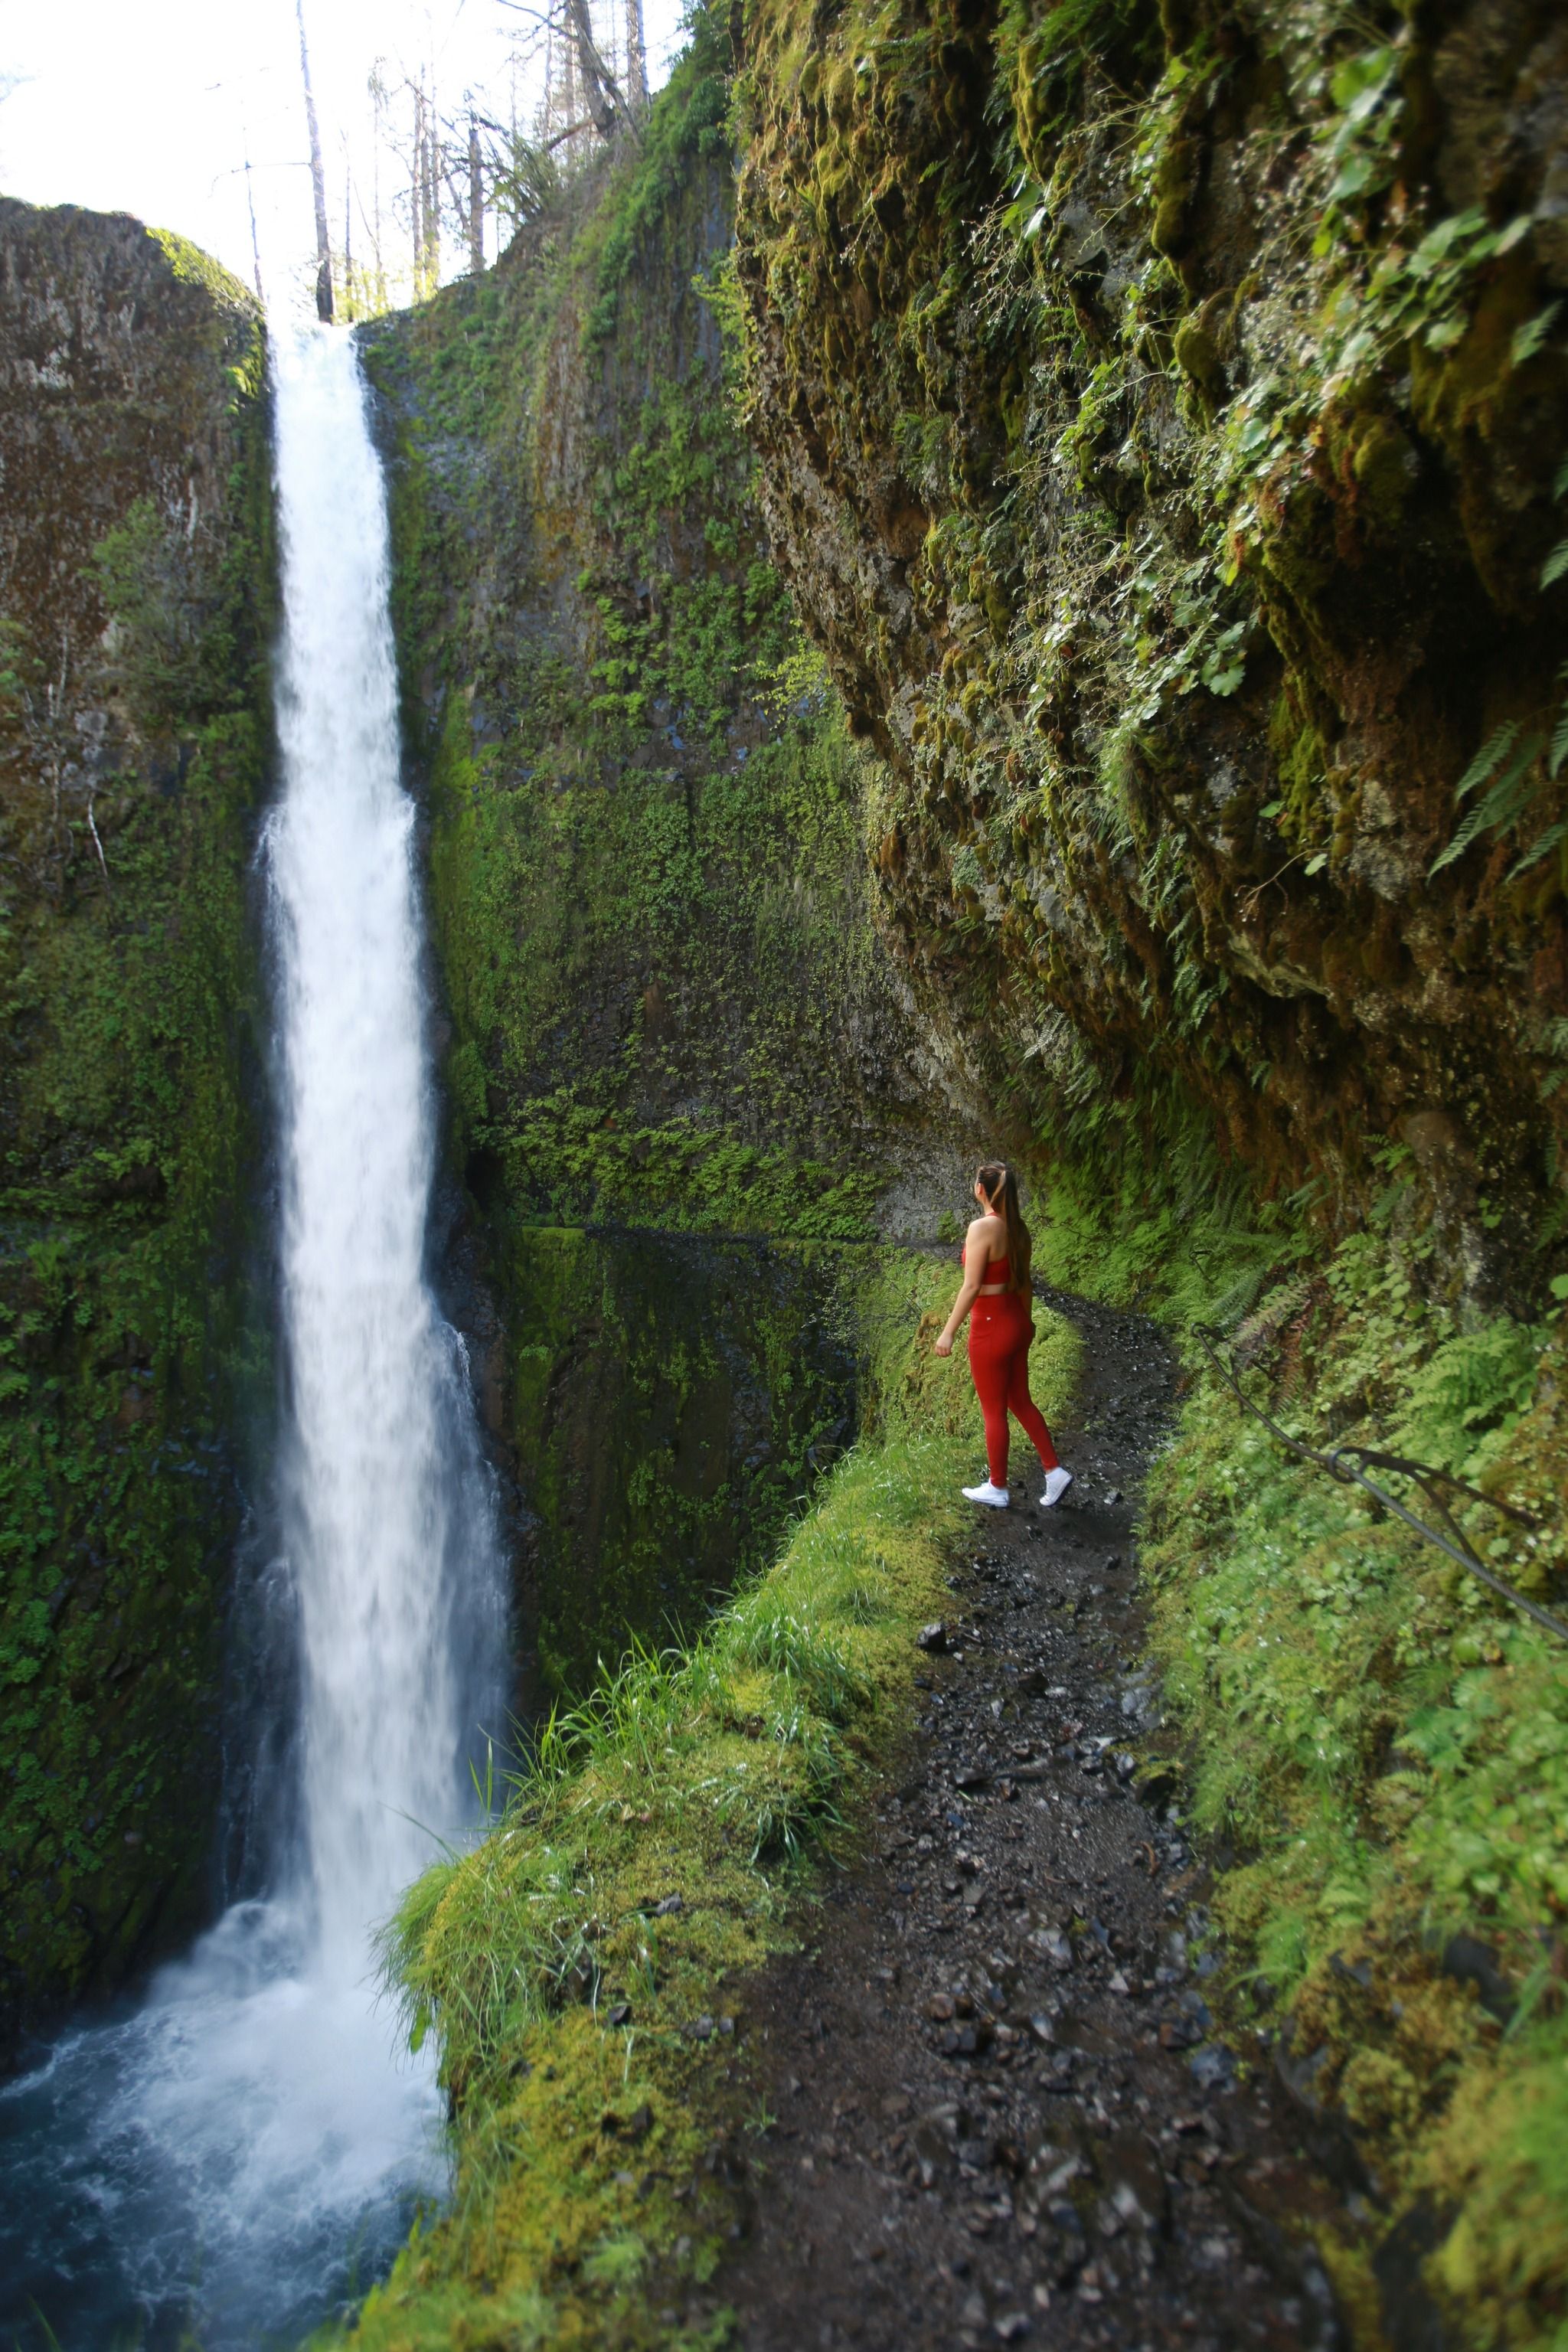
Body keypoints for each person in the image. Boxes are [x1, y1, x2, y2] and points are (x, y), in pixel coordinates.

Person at [933, 1162, 1072, 1511]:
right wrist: (1025, 1324)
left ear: (981, 1189)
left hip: (991, 1325)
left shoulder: (982, 1228)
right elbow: (1025, 1284)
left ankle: (997, 1486)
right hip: (1017, 1321)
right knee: (1020, 1400)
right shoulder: (1018, 1230)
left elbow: (972, 1286)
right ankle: (1053, 1471)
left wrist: (948, 1332)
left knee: (993, 1410)